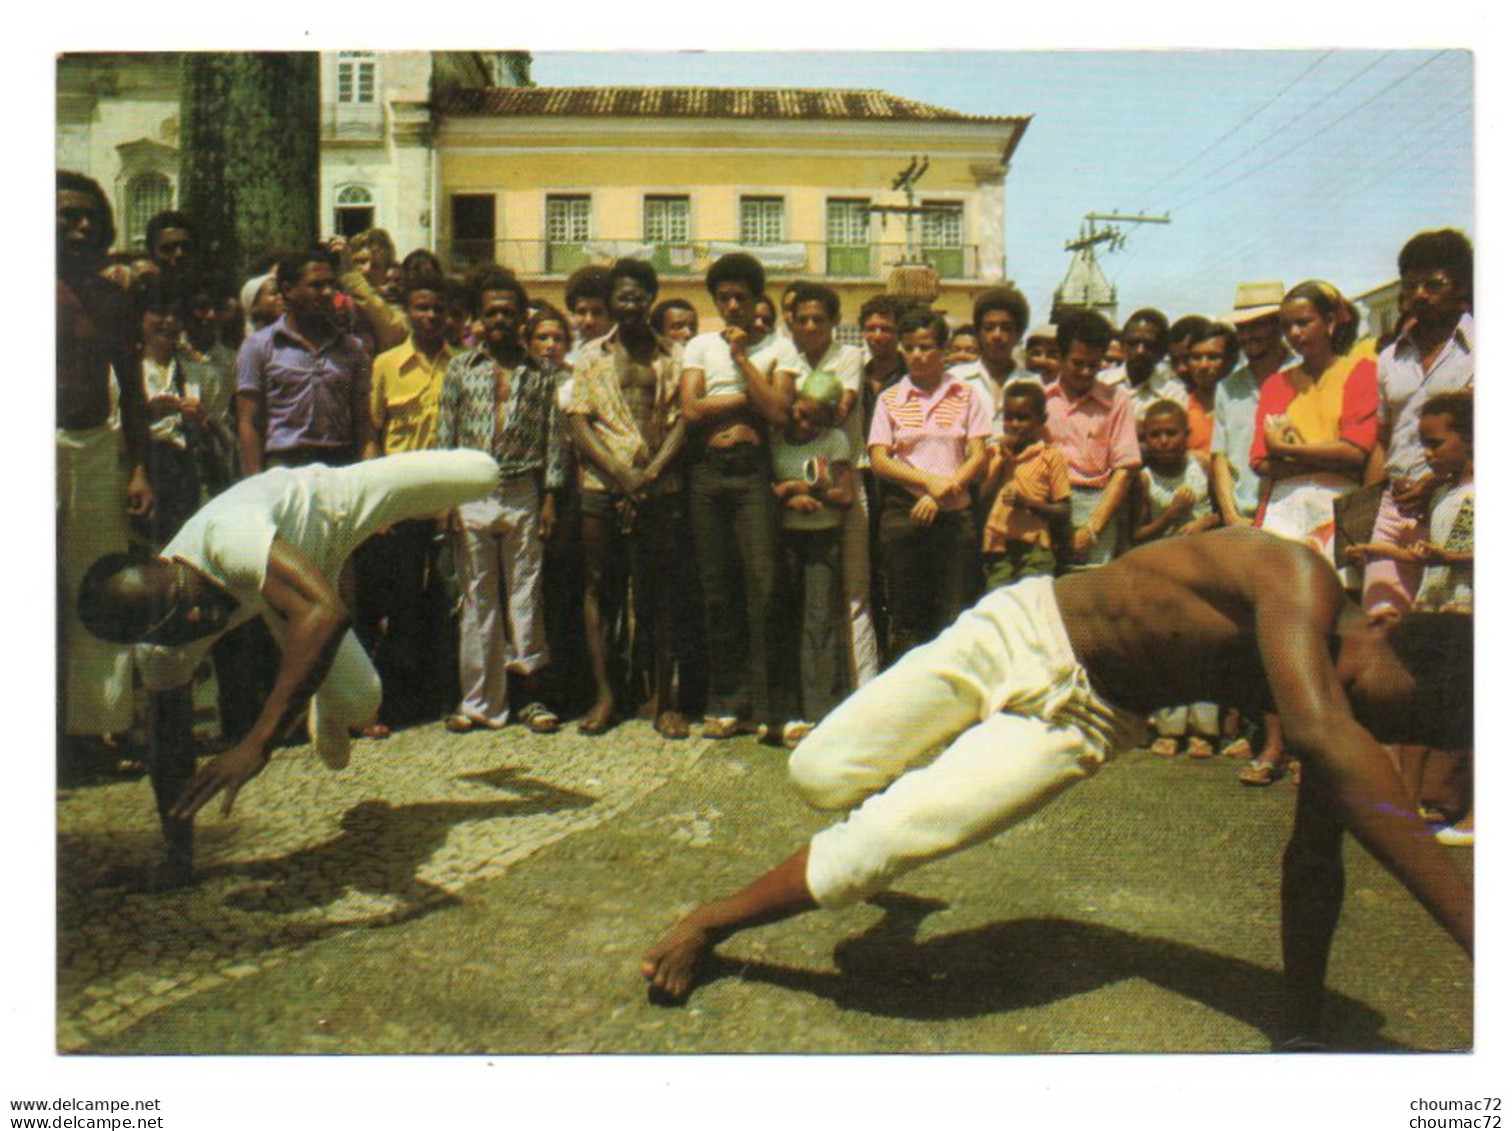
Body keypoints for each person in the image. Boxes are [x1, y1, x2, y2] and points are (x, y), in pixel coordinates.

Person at [640, 527, 1474, 1052]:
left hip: (1090, 720)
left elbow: (1312, 860)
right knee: (816, 772)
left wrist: (1297, 1027)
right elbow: (1328, 735)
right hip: (1022, 628)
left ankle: (706, 922)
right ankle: (901, 865)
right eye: (1362, 687)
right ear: (1388, 625)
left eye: (1374, 718)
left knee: (882, 845)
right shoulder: (1293, 575)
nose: (1347, 711)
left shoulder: (1332, 710)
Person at [75, 449, 503, 887]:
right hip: (291, 593)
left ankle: (310, 682)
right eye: (172, 629)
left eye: (186, 601)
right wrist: (177, 858)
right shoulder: (163, 653)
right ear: (150, 640)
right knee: (361, 701)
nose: (197, 620)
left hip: (334, 504)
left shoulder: (228, 537)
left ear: (169, 566)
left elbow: (327, 614)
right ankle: (316, 686)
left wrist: (259, 742)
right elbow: (169, 751)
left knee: (484, 473)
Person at [1242, 280, 1377, 787]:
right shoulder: (1278, 383)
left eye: (1305, 322)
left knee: (1327, 629)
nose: (1296, 334)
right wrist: (1306, 450)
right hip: (1283, 506)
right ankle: (1276, 744)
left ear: (1333, 320)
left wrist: (1293, 449)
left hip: (1334, 504)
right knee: (1276, 628)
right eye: (1288, 326)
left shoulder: (1359, 371)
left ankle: (1321, 746)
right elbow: (1259, 458)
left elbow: (1358, 451)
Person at [436, 266, 566, 735]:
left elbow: (555, 439)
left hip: (522, 491)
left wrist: (550, 499)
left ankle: (532, 699)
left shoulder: (541, 373)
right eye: (491, 312)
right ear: (476, 318)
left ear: (521, 320)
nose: (500, 321)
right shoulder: (459, 368)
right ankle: (480, 703)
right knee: (477, 599)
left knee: (526, 598)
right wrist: (446, 497)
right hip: (471, 491)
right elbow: (445, 436)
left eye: (509, 313)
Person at [56, 170, 153, 777]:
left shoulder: (112, 298)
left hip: (95, 447)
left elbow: (136, 391)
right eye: (68, 214)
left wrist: (138, 467)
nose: (82, 225)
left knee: (100, 588)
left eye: (92, 215)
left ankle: (97, 730)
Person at [1346, 391, 1474, 846]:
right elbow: (1427, 554)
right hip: (1434, 608)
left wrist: (1449, 555)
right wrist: (1378, 552)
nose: (1427, 453)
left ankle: (1475, 815)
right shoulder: (1442, 492)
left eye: (1436, 443)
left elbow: (1464, 553)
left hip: (1469, 613)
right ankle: (1407, 805)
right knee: (1423, 709)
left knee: (1472, 720)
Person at [681, 253, 800, 740]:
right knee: (717, 590)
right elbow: (691, 410)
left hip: (754, 474)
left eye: (741, 298)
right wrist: (750, 396)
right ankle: (726, 702)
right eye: (724, 298)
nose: (732, 306)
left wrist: (741, 361)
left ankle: (776, 708)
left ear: (756, 301)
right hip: (709, 475)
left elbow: (779, 412)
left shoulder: (779, 348)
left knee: (767, 587)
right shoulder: (698, 345)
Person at [568, 258, 689, 737]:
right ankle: (606, 697)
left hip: (660, 487)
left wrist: (650, 474)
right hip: (603, 485)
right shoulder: (590, 356)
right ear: (611, 302)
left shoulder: (672, 356)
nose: (631, 304)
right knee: (601, 589)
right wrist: (620, 474)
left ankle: (663, 701)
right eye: (622, 296)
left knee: (659, 594)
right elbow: (578, 422)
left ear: (651, 299)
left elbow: (682, 419)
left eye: (640, 295)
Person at [355, 270, 459, 729]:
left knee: (444, 599)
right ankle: (394, 700)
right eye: (422, 307)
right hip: (398, 497)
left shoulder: (463, 365)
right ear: (409, 312)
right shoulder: (384, 364)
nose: (431, 316)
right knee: (397, 601)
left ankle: (440, 695)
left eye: (438, 308)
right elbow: (371, 435)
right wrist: (378, 501)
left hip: (446, 495)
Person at [1361, 230, 1474, 621]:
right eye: (1411, 285)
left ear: (1462, 286)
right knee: (1380, 618)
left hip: (1460, 508)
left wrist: (1435, 483)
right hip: (1395, 505)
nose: (1421, 293)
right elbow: (1383, 440)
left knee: (1446, 627)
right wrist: (1367, 504)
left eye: (1434, 283)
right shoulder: (1390, 357)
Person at [869, 306, 990, 658]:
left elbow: (978, 455)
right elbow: (879, 459)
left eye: (926, 347)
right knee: (906, 615)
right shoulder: (890, 399)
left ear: (943, 350)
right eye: (910, 347)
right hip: (904, 515)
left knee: (955, 614)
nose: (917, 355)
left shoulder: (965, 395)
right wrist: (928, 484)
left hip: (954, 515)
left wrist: (940, 495)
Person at [787, 282, 879, 688]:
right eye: (802, 319)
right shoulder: (785, 356)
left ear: (833, 322)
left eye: (818, 319)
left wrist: (793, 406)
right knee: (804, 593)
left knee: (855, 591)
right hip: (792, 482)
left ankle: (865, 686)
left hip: (845, 477)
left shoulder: (849, 356)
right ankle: (811, 691)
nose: (810, 326)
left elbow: (836, 411)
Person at [1132, 399, 1221, 758]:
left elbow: (1220, 512)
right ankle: (1168, 726)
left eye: (1172, 433)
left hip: (1202, 568)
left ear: (1186, 435)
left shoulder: (1201, 465)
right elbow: (1136, 535)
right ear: (1145, 439)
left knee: (1203, 647)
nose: (1165, 441)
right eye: (1156, 435)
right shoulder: (1143, 477)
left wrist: (1203, 522)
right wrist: (1171, 514)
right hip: (1161, 571)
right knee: (1166, 648)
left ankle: (1204, 729)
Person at [770, 370, 856, 739]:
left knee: (819, 621)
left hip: (821, 537)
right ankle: (787, 709)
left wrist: (818, 493)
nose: (806, 426)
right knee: (785, 620)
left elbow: (845, 496)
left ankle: (822, 711)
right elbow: (764, 490)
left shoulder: (835, 439)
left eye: (817, 421)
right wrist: (791, 491)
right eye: (802, 415)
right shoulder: (774, 436)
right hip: (784, 539)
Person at [236, 249, 372, 475]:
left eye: (332, 284)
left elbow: (362, 421)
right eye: (317, 285)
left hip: (339, 464)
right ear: (288, 290)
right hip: (283, 466)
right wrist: (255, 481)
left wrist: (370, 474)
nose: (328, 292)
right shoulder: (258, 347)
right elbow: (249, 422)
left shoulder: (353, 349)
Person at [1044, 311, 1141, 569]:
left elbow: (1124, 470)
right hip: (1046, 505)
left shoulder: (1118, 400)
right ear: (1060, 356)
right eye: (1077, 363)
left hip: (1096, 503)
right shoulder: (1040, 400)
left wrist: (1092, 529)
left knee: (1090, 594)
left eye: (1094, 365)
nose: (1086, 372)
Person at [979, 381, 1070, 589]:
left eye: (1022, 418)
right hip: (997, 548)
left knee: (1032, 604)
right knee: (1000, 605)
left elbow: (1063, 510)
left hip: (1034, 548)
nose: (1013, 424)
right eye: (1008, 417)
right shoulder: (993, 454)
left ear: (1041, 420)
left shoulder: (1050, 457)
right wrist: (1001, 463)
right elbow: (980, 499)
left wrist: (1027, 503)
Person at [949, 286, 1031, 432]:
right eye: (989, 327)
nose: (997, 335)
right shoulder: (955, 380)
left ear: (1018, 334)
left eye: (1006, 328)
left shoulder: (1033, 383)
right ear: (978, 333)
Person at [1101, 308, 1186, 421]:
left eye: (1149, 344)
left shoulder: (1174, 395)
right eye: (1133, 343)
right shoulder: (1100, 383)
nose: (1140, 351)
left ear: (1162, 350)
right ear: (1122, 344)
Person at [1183, 319, 1238, 457]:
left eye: (1213, 357)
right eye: (1196, 357)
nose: (1203, 365)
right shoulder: (1180, 407)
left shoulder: (1245, 404)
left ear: (1231, 360)